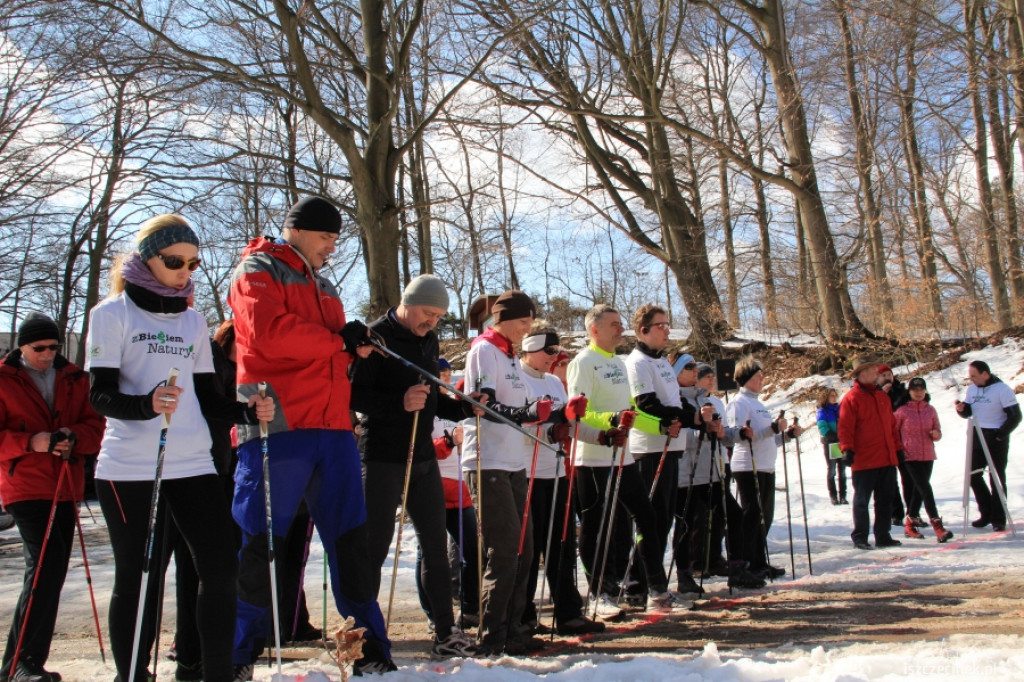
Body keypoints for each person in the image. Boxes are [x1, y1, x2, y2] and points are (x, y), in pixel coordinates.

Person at [86, 215, 275, 682]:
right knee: (137, 574)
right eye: (175, 262)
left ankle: (214, 673)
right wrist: (147, 404)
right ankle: (131, 674)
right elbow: (100, 395)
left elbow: (209, 398)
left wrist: (248, 412)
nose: (185, 272)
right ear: (147, 258)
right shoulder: (112, 314)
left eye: (192, 263)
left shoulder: (192, 320)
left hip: (191, 461)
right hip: (129, 466)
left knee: (218, 569)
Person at [227, 197, 391, 679]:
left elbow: (332, 346)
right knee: (260, 542)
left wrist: (353, 340)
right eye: (326, 238)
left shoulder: (324, 285)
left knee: (351, 543)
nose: (330, 249)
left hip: (333, 426)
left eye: (335, 241)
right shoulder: (257, 269)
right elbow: (266, 335)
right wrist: (336, 339)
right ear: (296, 230)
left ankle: (370, 650)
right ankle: (239, 654)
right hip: (276, 424)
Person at [350, 274, 484, 659]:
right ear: (407, 303)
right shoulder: (375, 337)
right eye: (428, 313)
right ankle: (362, 634)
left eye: (440, 316)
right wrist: (399, 403)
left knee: (434, 546)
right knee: (374, 548)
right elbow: (354, 394)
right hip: (381, 457)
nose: (433, 322)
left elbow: (429, 397)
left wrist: (461, 406)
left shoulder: (428, 339)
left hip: (422, 456)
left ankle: (445, 631)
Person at [567, 304, 691, 618]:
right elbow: (577, 413)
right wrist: (608, 422)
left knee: (648, 520)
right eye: (613, 325)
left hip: (624, 458)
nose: (620, 329)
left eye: (621, 324)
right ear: (594, 330)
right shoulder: (583, 362)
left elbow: (631, 416)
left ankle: (657, 592)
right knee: (596, 529)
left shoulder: (620, 363)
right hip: (593, 458)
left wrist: (659, 426)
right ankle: (599, 594)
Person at [0, 313, 105, 682]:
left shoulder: (75, 377)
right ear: (22, 348)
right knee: (45, 563)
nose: (47, 354)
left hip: (65, 483)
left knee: (54, 568)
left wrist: (72, 437)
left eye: (53, 347)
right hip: (24, 486)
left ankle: (26, 662)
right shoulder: (3, 379)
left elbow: (96, 427)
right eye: (38, 348)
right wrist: (32, 442)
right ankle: (20, 664)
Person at [460, 290, 557, 654]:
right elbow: (482, 405)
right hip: (489, 463)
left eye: (530, 321)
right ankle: (491, 636)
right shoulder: (484, 349)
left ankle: (514, 628)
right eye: (522, 321)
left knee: (524, 549)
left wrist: (548, 412)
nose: (527, 328)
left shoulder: (510, 354)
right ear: (501, 319)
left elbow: (515, 405)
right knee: (502, 552)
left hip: (515, 463)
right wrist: (528, 414)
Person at [518, 328, 605, 636]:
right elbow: (514, 426)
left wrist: (603, 436)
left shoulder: (555, 382)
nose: (554, 357)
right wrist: (547, 433)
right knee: (527, 550)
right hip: (526, 473)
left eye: (557, 351)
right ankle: (523, 616)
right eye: (549, 351)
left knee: (562, 545)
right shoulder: (516, 377)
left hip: (556, 472)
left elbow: (569, 424)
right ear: (529, 348)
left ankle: (568, 613)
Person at [622, 306, 703, 601]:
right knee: (651, 521)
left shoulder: (662, 363)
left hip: (672, 447)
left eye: (668, 325)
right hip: (650, 449)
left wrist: (696, 417)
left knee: (664, 520)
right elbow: (645, 403)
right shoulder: (637, 362)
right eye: (661, 325)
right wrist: (680, 418)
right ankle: (638, 584)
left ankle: (644, 582)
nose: (667, 330)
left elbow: (675, 401)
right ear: (643, 330)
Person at [414, 358, 480, 631]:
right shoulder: (423, 408)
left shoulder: (453, 406)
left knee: (471, 551)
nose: (445, 379)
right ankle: (433, 614)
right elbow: (421, 449)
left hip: (460, 488)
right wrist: (449, 441)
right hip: (432, 487)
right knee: (431, 553)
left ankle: (470, 609)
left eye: (447, 374)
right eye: (440, 374)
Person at [724, 357, 802, 579]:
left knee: (764, 516)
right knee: (753, 515)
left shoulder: (759, 404)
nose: (762, 380)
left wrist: (784, 435)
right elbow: (739, 437)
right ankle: (748, 561)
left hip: (766, 465)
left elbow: (767, 438)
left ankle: (759, 560)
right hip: (748, 466)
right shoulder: (739, 403)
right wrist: (771, 429)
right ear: (746, 378)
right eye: (757, 376)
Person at [838, 357, 903, 550]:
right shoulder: (851, 398)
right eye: (874, 370)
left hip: (886, 458)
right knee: (862, 500)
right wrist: (847, 449)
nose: (877, 373)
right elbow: (845, 427)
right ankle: (860, 536)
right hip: (864, 459)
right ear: (862, 374)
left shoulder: (882, 397)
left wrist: (898, 449)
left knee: (885, 500)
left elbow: (892, 427)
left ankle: (883, 535)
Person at [955, 360, 1021, 532]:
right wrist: (961, 409)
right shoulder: (972, 389)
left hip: (996, 436)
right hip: (977, 434)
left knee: (996, 477)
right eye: (970, 376)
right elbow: (969, 411)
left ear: (985, 374)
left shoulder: (1002, 390)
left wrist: (1000, 435)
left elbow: (1015, 416)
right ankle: (987, 512)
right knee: (973, 475)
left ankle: (999, 518)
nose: (972, 380)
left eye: (974, 376)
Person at [894, 378, 952, 542]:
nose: (918, 392)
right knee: (925, 489)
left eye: (921, 389)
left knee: (919, 491)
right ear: (909, 392)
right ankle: (937, 524)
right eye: (915, 390)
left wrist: (936, 434)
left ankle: (910, 523)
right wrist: (899, 449)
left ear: (925, 391)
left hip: (927, 454)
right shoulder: (902, 411)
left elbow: (938, 430)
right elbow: (893, 430)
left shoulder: (931, 410)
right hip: (909, 455)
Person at [877, 364, 912, 526]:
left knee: (910, 478)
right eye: (883, 375)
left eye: (888, 374)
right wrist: (883, 395)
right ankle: (895, 513)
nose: (887, 377)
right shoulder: (875, 395)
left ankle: (913, 513)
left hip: (905, 440)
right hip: (885, 441)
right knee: (891, 480)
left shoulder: (903, 392)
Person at [815, 388, 847, 505]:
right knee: (832, 470)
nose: (834, 397)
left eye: (835, 395)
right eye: (831, 396)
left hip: (841, 442)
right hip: (831, 443)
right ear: (826, 397)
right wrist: (833, 436)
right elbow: (822, 427)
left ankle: (843, 496)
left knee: (842, 470)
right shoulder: (822, 411)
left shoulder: (839, 409)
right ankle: (833, 496)